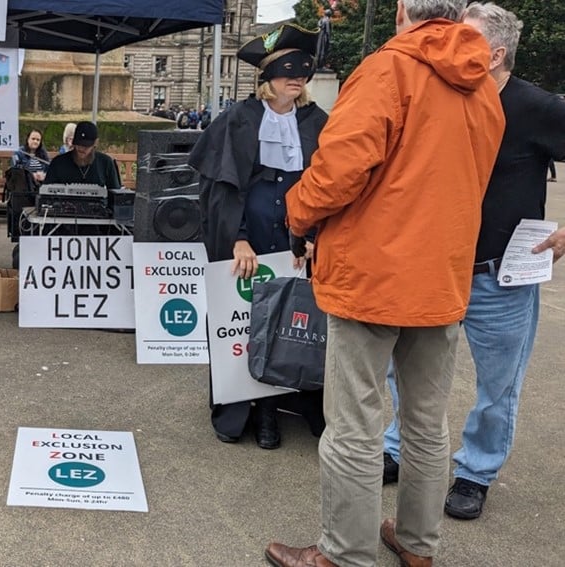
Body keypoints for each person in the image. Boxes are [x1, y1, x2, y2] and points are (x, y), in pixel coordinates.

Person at [264, 1, 505, 565]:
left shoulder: (386, 70)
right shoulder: (484, 88)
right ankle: (419, 546)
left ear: (402, 11)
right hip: (441, 277)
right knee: (426, 422)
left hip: (372, 274)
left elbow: (337, 171)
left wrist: (297, 213)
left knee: (354, 425)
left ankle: (344, 554)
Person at [381, 2, 565, 523]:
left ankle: (475, 472)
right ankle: (396, 448)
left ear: (497, 53)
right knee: (407, 371)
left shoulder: (535, 106)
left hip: (498, 276)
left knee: (497, 385)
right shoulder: (443, 92)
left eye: (465, 38)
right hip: (433, 267)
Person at [187, 23, 328, 450]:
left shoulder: (317, 121)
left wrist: (310, 235)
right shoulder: (239, 119)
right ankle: (247, 408)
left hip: (296, 237)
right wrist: (238, 238)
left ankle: (285, 403)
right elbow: (220, 189)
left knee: (294, 322)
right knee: (244, 320)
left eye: (302, 71)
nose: (296, 78)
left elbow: (326, 185)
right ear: (267, 76)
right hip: (250, 236)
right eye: (287, 70)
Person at [43, 121, 121, 189]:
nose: (81, 148)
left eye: (86, 146)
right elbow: (46, 192)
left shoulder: (105, 162)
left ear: (95, 143)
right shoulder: (58, 163)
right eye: (78, 144)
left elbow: (115, 194)